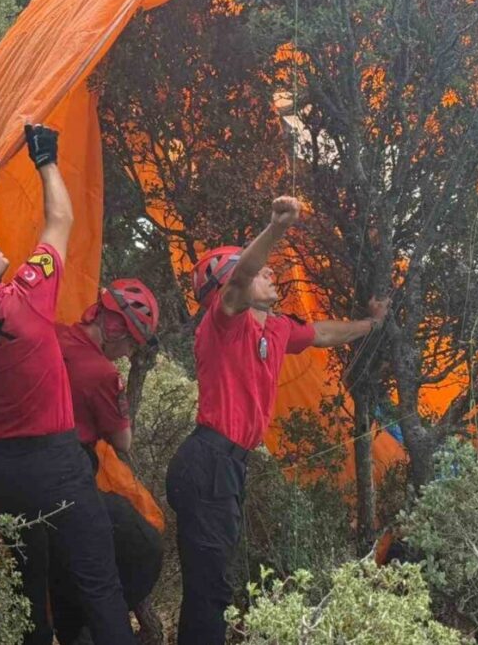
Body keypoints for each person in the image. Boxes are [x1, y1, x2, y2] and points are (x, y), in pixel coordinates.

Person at [0, 124, 135, 645]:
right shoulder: (25, 301)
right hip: (54, 462)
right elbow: (61, 219)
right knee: (100, 585)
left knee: (29, 592)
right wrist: (46, 159)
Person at [165, 195, 391, 644]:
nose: (271, 273)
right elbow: (244, 274)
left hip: (226, 465)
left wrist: (371, 325)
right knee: (210, 591)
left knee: (211, 585)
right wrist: (277, 228)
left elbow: (324, 332)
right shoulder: (223, 321)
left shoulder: (277, 327)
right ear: (231, 283)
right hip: (208, 460)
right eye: (259, 271)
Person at [51, 279, 165, 645]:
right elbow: (122, 440)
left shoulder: (51, 335)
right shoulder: (101, 373)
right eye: (130, 340)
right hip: (71, 471)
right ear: (113, 326)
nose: (129, 351)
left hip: (23, 470)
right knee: (142, 548)